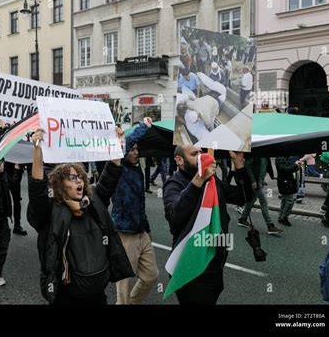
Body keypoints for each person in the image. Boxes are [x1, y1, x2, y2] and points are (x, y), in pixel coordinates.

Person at [27, 127, 134, 305]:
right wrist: (37, 149)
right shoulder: (50, 211)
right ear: (59, 185)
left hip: (97, 294)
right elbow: (37, 188)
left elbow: (111, 174)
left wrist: (118, 142)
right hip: (67, 297)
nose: (78, 181)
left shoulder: (94, 202)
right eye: (71, 178)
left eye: (80, 178)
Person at [163, 145, 253, 304]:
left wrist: (239, 164)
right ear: (179, 160)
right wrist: (198, 180)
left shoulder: (212, 180)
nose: (200, 156)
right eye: (194, 154)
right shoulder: (174, 183)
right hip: (190, 265)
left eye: (200, 152)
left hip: (215, 263)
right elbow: (174, 216)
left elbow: (242, 197)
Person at [111, 117, 159, 304]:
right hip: (125, 232)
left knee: (151, 275)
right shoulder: (119, 167)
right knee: (124, 282)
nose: (136, 152)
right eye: (133, 150)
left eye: (138, 149)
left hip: (140, 230)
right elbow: (124, 145)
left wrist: (146, 228)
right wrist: (144, 125)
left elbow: (140, 202)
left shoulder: (136, 169)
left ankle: (131, 302)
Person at [238, 158, 283, 235]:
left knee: (252, 200)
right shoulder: (256, 152)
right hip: (255, 182)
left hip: (260, 181)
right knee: (264, 202)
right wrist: (253, 181)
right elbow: (247, 166)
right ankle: (270, 225)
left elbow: (266, 165)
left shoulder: (265, 154)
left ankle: (243, 219)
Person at [275, 156, 302, 227]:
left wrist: (296, 166)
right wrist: (295, 165)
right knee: (290, 200)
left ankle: (281, 217)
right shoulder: (279, 158)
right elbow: (284, 169)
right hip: (284, 182)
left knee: (284, 200)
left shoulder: (285, 157)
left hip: (287, 181)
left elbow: (289, 168)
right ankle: (284, 217)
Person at [5, 162, 28, 235]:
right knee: (4, 201)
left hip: (16, 177)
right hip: (7, 175)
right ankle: (3, 226)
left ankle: (17, 225)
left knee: (17, 202)